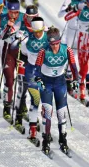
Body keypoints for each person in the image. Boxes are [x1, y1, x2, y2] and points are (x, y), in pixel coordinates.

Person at [34, 26, 79, 156]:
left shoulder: (67, 50)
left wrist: (76, 80)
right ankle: (46, 141)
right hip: (46, 83)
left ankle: (63, 140)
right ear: (48, 42)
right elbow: (36, 69)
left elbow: (74, 67)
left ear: (60, 41)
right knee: (47, 112)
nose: (54, 47)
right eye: (52, 44)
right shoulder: (43, 51)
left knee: (61, 113)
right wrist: (38, 79)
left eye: (56, 43)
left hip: (60, 83)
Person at [0, 0, 24, 119]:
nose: (13, 15)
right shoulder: (2, 18)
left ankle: (22, 105)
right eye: (11, 12)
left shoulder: (24, 17)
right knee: (9, 80)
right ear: (7, 10)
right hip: (7, 53)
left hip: (22, 54)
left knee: (23, 81)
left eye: (16, 12)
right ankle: (7, 106)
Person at [62, 0, 89, 102]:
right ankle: (78, 84)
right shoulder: (81, 6)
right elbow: (66, 17)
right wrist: (72, 10)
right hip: (82, 36)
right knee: (81, 61)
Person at [57, 0, 87, 89]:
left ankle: (86, 79)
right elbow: (60, 15)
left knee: (83, 55)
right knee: (70, 53)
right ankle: (68, 75)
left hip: (83, 31)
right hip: (71, 30)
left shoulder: (88, 1)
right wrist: (68, 10)